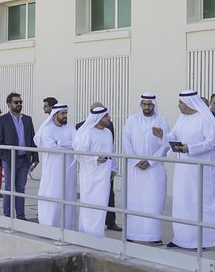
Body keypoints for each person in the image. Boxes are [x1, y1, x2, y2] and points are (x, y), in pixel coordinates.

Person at [168, 90, 215, 249]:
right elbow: (173, 136)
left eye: (181, 103)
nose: (179, 106)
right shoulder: (182, 118)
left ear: (190, 103)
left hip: (201, 170)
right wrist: (162, 136)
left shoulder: (205, 118)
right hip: (183, 170)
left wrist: (190, 148)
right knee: (183, 201)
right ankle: (182, 238)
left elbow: (212, 141)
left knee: (199, 203)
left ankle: (202, 240)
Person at [122, 93, 171, 244]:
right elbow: (126, 141)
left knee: (154, 202)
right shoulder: (132, 120)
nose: (147, 107)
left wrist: (150, 161)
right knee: (135, 201)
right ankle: (132, 234)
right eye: (144, 104)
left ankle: (153, 236)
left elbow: (167, 145)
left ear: (154, 105)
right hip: (135, 169)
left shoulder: (161, 121)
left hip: (154, 170)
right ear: (140, 104)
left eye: (149, 104)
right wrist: (136, 161)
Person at [73, 106, 116, 237]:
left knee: (102, 204)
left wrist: (114, 168)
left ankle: (98, 233)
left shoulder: (107, 133)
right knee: (90, 205)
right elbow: (80, 153)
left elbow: (112, 152)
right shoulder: (87, 133)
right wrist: (95, 158)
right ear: (98, 118)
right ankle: (87, 233)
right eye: (106, 116)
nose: (109, 118)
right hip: (91, 175)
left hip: (105, 175)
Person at [0, 92, 38, 220]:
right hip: (9, 159)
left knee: (21, 188)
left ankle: (20, 216)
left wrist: (35, 158)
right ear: (9, 104)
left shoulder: (27, 119)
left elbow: (32, 139)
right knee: (9, 188)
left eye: (20, 102)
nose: (19, 104)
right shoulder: (2, 120)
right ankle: (7, 215)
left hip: (24, 160)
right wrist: (5, 157)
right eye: (16, 102)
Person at [37, 103, 77, 230]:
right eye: (62, 113)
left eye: (66, 113)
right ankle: (49, 225)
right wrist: (66, 145)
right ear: (55, 115)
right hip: (52, 172)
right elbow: (51, 147)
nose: (65, 116)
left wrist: (59, 143)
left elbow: (76, 145)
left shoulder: (70, 128)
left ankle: (67, 226)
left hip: (68, 171)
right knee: (52, 196)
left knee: (68, 197)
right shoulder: (47, 129)